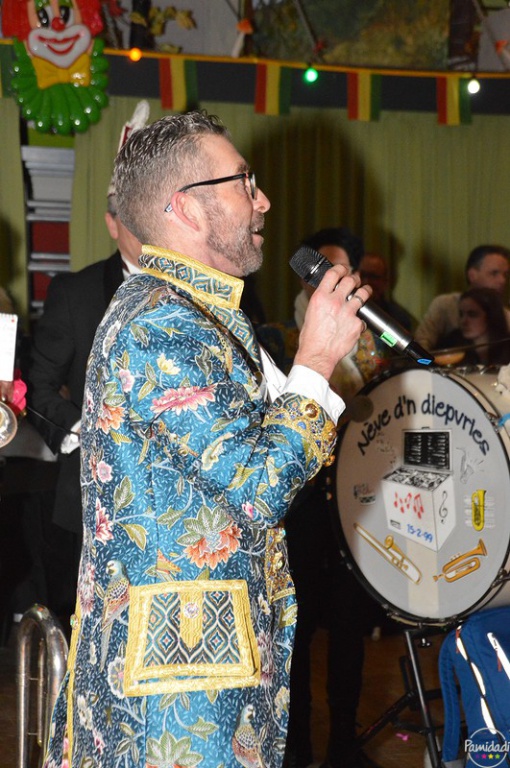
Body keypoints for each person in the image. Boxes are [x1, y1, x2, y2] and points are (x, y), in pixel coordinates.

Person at [42, 111, 370, 768]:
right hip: (181, 690)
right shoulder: (163, 322)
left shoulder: (196, 310)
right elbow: (259, 488)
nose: (263, 200)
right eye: (244, 182)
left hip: (196, 666)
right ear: (185, 207)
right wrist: (315, 361)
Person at [275, 228, 382, 768]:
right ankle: (296, 744)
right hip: (301, 501)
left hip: (356, 497)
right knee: (296, 629)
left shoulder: (375, 339)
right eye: (323, 269)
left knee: (348, 626)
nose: (333, 280)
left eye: (344, 270)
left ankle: (345, 741)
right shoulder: (279, 335)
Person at [26, 192, 143, 617]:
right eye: (133, 220)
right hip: (91, 503)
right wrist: (86, 434)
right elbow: (38, 387)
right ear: (112, 224)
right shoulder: (76, 292)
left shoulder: (198, 288)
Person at [415, 244, 510, 351]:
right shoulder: (446, 304)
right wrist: (428, 361)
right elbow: (420, 344)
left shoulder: (506, 316)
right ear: (472, 275)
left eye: (505, 275)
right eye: (494, 273)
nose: (502, 281)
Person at [437, 287, 510, 365]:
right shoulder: (451, 341)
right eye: (461, 314)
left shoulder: (506, 343)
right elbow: (427, 361)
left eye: (472, 314)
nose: (463, 321)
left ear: (491, 316)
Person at [358, 252, 414, 331]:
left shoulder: (398, 319)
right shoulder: (346, 310)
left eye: (373, 276)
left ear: (385, 281)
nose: (366, 281)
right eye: (363, 275)